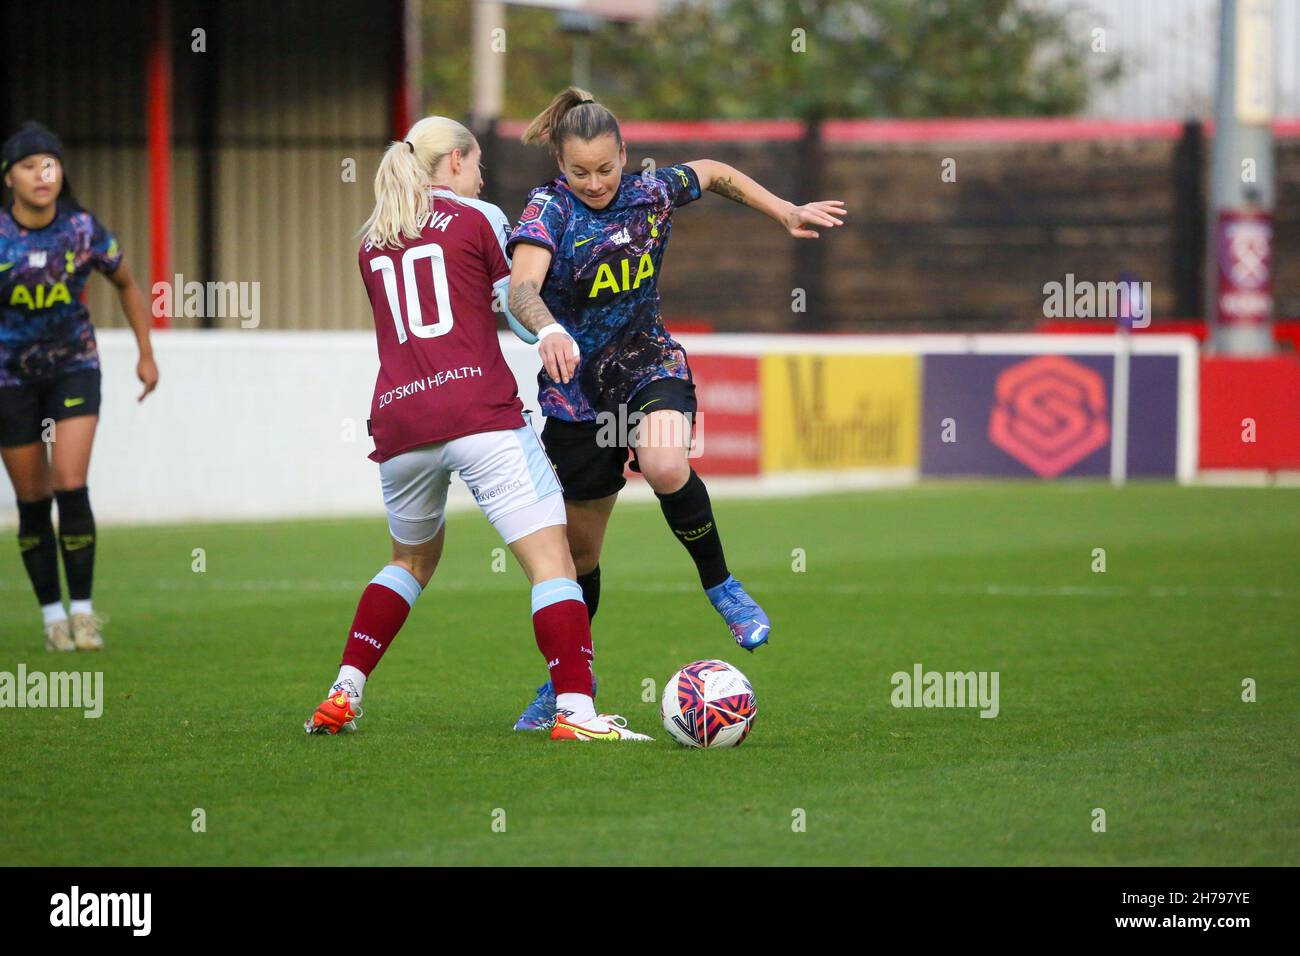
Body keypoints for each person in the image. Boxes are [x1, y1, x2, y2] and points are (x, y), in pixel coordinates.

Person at [505, 88, 847, 730]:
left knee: (665, 465)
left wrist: (782, 210)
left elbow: (714, 172)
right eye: (580, 171)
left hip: (648, 363)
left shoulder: (651, 191)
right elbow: (522, 287)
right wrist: (549, 328)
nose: (595, 182)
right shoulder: (547, 210)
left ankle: (723, 588)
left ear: (624, 155)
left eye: (606, 168)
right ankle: (568, 683)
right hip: (576, 391)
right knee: (577, 560)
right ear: (560, 162)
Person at [303, 115, 652, 742]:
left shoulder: (373, 238)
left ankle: (343, 692)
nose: (482, 176)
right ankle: (576, 712)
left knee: (409, 559)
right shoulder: (479, 218)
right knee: (554, 565)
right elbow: (517, 307)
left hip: (400, 420)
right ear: (457, 162)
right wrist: (553, 328)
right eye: (479, 163)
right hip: (477, 413)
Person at [0, 121, 158, 652]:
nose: (42, 174)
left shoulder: (82, 229)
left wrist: (145, 353)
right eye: (28, 165)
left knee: (69, 481)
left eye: (50, 163)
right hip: (11, 379)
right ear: (10, 178)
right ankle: (52, 616)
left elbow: (127, 284)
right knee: (31, 498)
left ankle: (85, 613)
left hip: (74, 368)